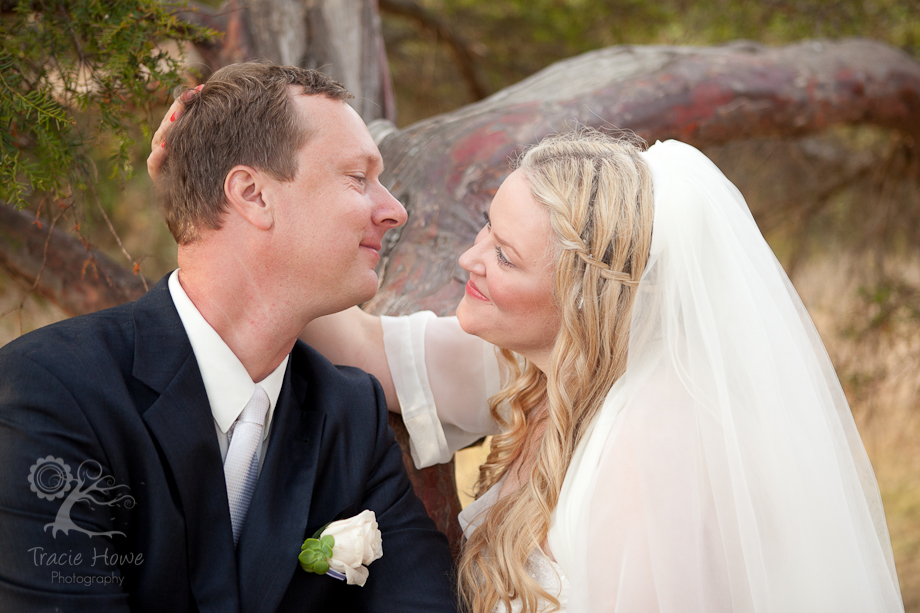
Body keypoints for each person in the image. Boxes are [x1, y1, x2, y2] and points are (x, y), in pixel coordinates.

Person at [300, 130, 906, 612]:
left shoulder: (656, 446)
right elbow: (361, 345)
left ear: (586, 296)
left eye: (505, 257)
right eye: (487, 226)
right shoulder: (528, 354)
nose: (469, 258)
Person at [0, 63, 456, 612]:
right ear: (252, 194)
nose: (395, 211)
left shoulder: (349, 417)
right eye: (358, 178)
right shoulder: (51, 393)